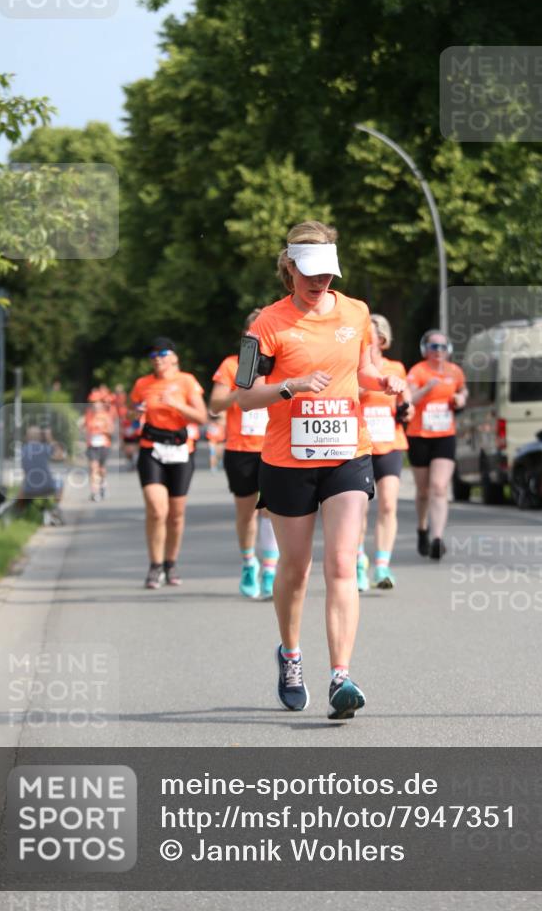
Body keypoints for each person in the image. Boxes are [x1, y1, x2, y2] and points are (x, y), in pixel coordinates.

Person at [237, 221, 404, 720]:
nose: (320, 284)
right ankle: (291, 655)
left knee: (340, 561)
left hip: (348, 452)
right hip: (287, 460)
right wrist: (291, 386)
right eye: (310, 274)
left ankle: (341, 676)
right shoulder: (265, 325)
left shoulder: (356, 311)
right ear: (288, 268)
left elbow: (365, 368)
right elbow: (245, 394)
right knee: (296, 568)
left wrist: (385, 380)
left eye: (328, 274)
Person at [209, 311, 279, 600]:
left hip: (274, 447)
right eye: (254, 333)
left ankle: (270, 569)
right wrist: (242, 394)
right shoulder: (231, 365)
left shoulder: (280, 362)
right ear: (246, 336)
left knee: (271, 511)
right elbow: (214, 405)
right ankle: (249, 562)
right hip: (241, 450)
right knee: (247, 513)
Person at [129, 337, 207, 589]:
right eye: (152, 356)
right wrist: (135, 413)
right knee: (156, 509)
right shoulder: (143, 383)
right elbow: (131, 412)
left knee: (175, 515)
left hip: (181, 451)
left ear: (174, 357)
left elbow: (202, 416)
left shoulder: (187, 381)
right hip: (151, 449)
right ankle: (155, 565)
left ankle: (170, 563)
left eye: (162, 353)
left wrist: (177, 405)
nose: (157, 359)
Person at [357, 314, 412, 591]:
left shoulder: (396, 367)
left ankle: (382, 565)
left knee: (388, 504)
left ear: (381, 338)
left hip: (390, 443)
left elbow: (407, 401)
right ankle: (358, 561)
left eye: (372, 332)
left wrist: (407, 408)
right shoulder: (355, 367)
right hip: (360, 444)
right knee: (358, 510)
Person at [406, 329, 468, 559]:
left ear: (448, 350)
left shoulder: (454, 371)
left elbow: (463, 390)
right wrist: (427, 388)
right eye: (433, 347)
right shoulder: (418, 371)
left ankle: (437, 538)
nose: (438, 351)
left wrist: (461, 398)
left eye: (442, 347)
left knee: (439, 487)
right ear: (425, 350)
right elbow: (409, 399)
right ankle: (422, 529)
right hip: (419, 436)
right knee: (423, 491)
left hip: (445, 435)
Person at [18, 425, 65, 524]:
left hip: (28, 489)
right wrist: (50, 438)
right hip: (48, 487)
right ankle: (55, 508)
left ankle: (19, 512)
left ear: (27, 436)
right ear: (40, 437)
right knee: (60, 481)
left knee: (22, 483)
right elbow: (60, 455)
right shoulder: (44, 448)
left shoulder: (22, 450)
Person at [81, 396, 115, 502]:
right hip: (92, 445)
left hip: (104, 445)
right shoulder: (89, 415)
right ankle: (94, 492)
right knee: (93, 468)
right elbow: (84, 428)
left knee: (102, 469)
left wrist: (102, 430)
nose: (95, 405)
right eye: (94, 403)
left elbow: (111, 430)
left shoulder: (106, 415)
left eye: (97, 403)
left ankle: (103, 485)